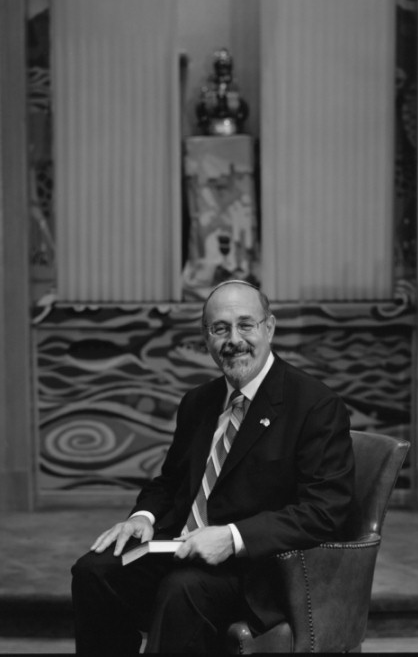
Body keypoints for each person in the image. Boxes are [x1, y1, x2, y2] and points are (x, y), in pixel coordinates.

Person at [71, 279, 355, 654]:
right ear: (206, 337)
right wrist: (143, 517)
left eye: (245, 325)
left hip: (254, 568)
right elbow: (170, 481)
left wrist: (232, 537)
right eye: (220, 329)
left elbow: (325, 511)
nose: (234, 340)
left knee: (182, 590)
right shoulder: (198, 402)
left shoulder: (314, 405)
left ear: (269, 328)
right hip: (176, 547)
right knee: (93, 572)